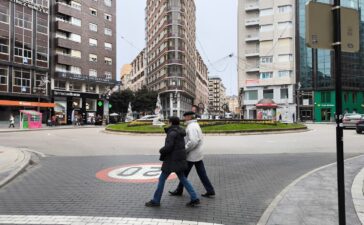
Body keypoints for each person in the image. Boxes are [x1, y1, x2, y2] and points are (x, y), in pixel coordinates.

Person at [146, 116, 200, 207]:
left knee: (162, 179)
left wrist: (161, 150)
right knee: (183, 179)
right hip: (179, 159)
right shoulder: (180, 132)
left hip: (171, 160)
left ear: (171, 122)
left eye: (168, 121)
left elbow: (169, 147)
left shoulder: (172, 133)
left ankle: (156, 200)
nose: (167, 123)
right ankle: (194, 198)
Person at [169, 111, 215, 198]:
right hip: (197, 154)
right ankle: (210, 190)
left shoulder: (191, 127)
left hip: (192, 155)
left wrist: (185, 149)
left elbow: (193, 141)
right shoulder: (194, 125)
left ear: (189, 117)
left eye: (185, 116)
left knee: (183, 174)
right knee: (201, 174)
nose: (184, 118)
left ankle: (179, 190)